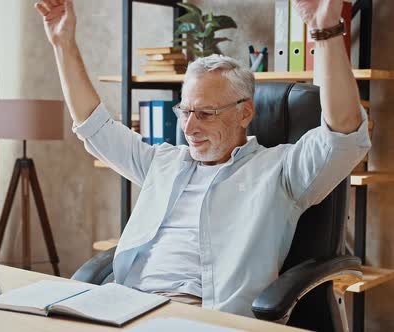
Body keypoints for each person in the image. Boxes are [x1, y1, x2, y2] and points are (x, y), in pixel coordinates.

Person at [35, 0, 371, 317]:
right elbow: (95, 127)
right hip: (126, 306)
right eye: (185, 111)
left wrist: (325, 31)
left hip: (200, 316)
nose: (190, 128)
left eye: (206, 114)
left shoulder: (279, 171)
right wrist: (62, 43)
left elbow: (343, 134)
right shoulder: (162, 163)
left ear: (245, 112)